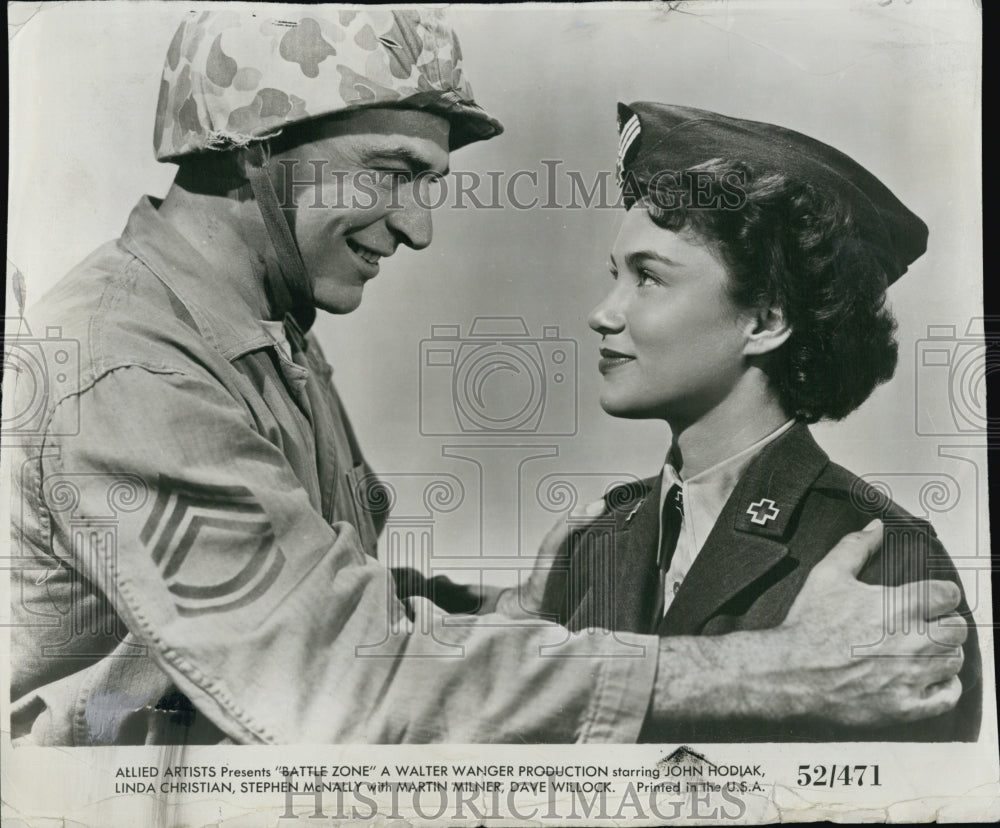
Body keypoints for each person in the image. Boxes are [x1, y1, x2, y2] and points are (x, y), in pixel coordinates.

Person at [6, 10, 967, 746]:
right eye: (389, 170)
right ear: (256, 150)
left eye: (430, 182)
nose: (419, 227)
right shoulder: (128, 360)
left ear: (767, 323)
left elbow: (304, 601)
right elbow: (341, 678)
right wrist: (779, 670)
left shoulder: (251, 333)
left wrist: (486, 617)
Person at [537, 101, 982, 741]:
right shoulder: (591, 544)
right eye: (616, 276)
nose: (604, 314)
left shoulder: (883, 553)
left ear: (766, 322)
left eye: (649, 279)